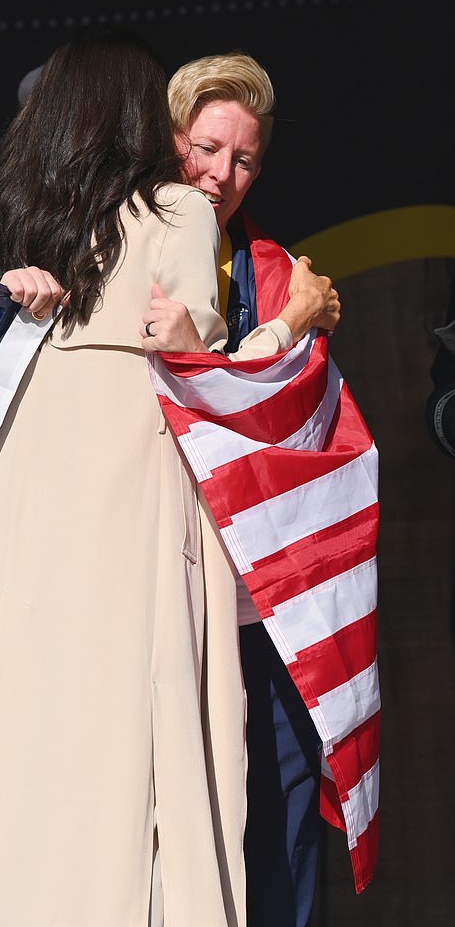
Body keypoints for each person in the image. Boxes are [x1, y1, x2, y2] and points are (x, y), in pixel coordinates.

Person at [0, 27, 310, 927]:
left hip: (9, 527)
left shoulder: (5, 233)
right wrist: (291, 322)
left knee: (17, 730)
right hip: (129, 507)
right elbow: (206, 373)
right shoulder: (177, 214)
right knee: (125, 748)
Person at [140, 53, 340, 927]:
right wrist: (275, 335)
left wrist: (291, 328)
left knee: (287, 814)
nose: (222, 174)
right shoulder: (129, 246)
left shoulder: (271, 267)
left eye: (245, 158)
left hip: (267, 594)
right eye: (206, 147)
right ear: (170, 140)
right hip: (165, 589)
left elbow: (284, 423)